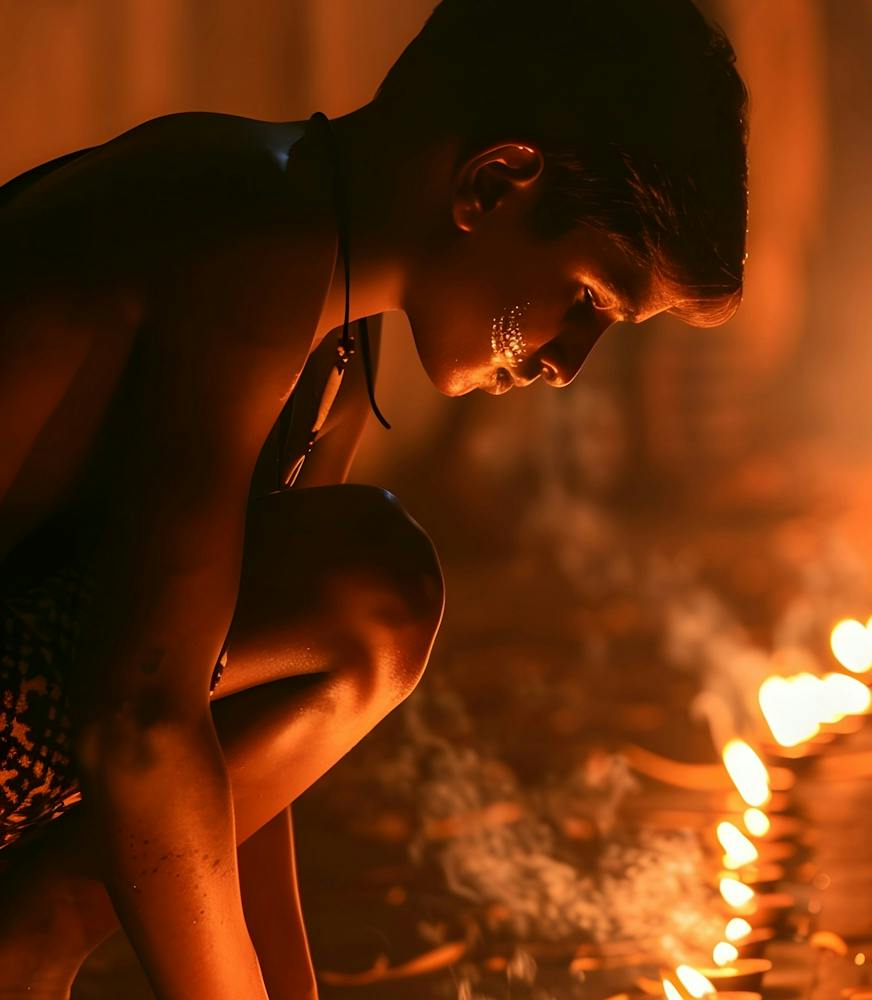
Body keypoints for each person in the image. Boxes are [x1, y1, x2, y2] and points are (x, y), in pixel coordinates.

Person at [0, 0, 748, 997]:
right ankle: (31, 933)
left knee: (359, 593)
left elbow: (228, 740)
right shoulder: (251, 234)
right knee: (373, 590)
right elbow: (140, 719)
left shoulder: (337, 350)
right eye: (586, 298)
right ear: (492, 183)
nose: (569, 362)